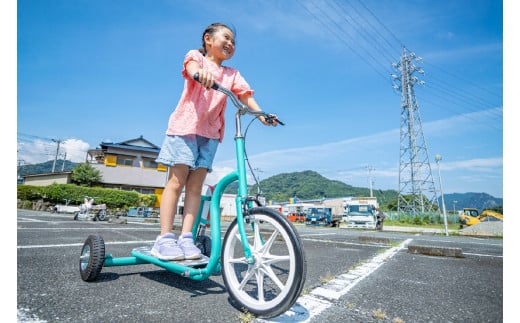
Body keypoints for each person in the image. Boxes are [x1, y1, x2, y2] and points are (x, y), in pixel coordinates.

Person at [151, 22, 277, 261]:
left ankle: (186, 237)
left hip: (210, 134)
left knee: (196, 187)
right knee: (177, 182)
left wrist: (262, 115)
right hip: (186, 127)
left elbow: (244, 95)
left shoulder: (232, 74)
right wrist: (200, 73)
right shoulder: (196, 56)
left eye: (234, 42)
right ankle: (165, 239)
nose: (230, 44)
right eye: (226, 38)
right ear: (208, 39)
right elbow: (190, 68)